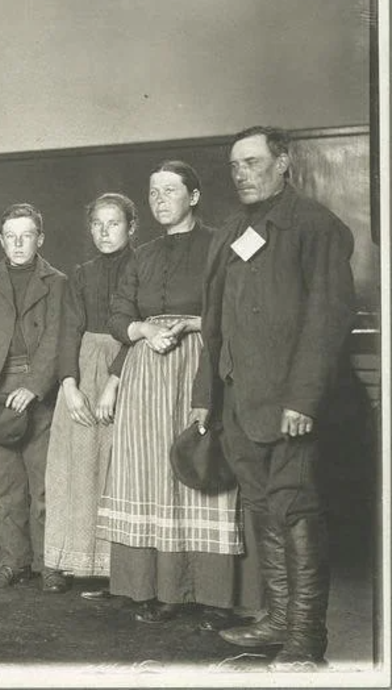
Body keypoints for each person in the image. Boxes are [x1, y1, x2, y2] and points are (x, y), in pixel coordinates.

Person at [193, 126, 355, 670]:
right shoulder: (231, 231)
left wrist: (303, 401)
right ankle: (279, 618)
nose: (242, 172)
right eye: (234, 164)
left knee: (296, 507)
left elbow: (328, 319)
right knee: (262, 506)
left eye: (254, 161)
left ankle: (306, 636)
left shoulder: (315, 226)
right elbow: (213, 322)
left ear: (283, 163)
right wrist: (205, 395)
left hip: (291, 404)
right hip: (240, 401)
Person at [96, 161, 244, 626]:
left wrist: (192, 324)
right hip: (146, 369)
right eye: (153, 191)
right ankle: (152, 588)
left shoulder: (218, 244)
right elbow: (118, 313)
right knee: (147, 473)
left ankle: (207, 594)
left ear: (194, 197)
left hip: (197, 363)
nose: (160, 199)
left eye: (170, 191)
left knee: (194, 466)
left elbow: (235, 308)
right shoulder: (141, 255)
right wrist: (141, 329)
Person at [0, 203, 66, 590]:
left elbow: (56, 341)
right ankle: (14, 561)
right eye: (11, 237)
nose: (19, 244)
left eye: (27, 236)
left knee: (44, 487)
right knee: (5, 488)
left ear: (40, 238)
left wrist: (35, 386)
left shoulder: (57, 282)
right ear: (1, 241)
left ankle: (50, 564)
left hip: (39, 397)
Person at [42, 194, 135, 594]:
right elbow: (68, 331)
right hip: (82, 372)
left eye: (113, 223)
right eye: (97, 224)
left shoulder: (145, 266)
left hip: (130, 369)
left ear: (131, 227)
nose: (104, 232)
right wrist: (69, 385)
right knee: (74, 467)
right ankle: (73, 562)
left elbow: (142, 328)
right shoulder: (80, 274)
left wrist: (115, 380)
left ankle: (124, 568)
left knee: (119, 467)